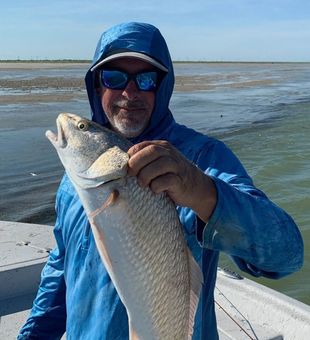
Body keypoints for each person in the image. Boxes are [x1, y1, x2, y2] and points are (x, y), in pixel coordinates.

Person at [18, 22, 303, 340]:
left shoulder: (203, 159)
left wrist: (202, 191)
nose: (129, 93)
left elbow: (285, 256)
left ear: (163, 86)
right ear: (97, 86)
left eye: (146, 79)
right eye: (114, 77)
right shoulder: (76, 178)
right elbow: (61, 273)